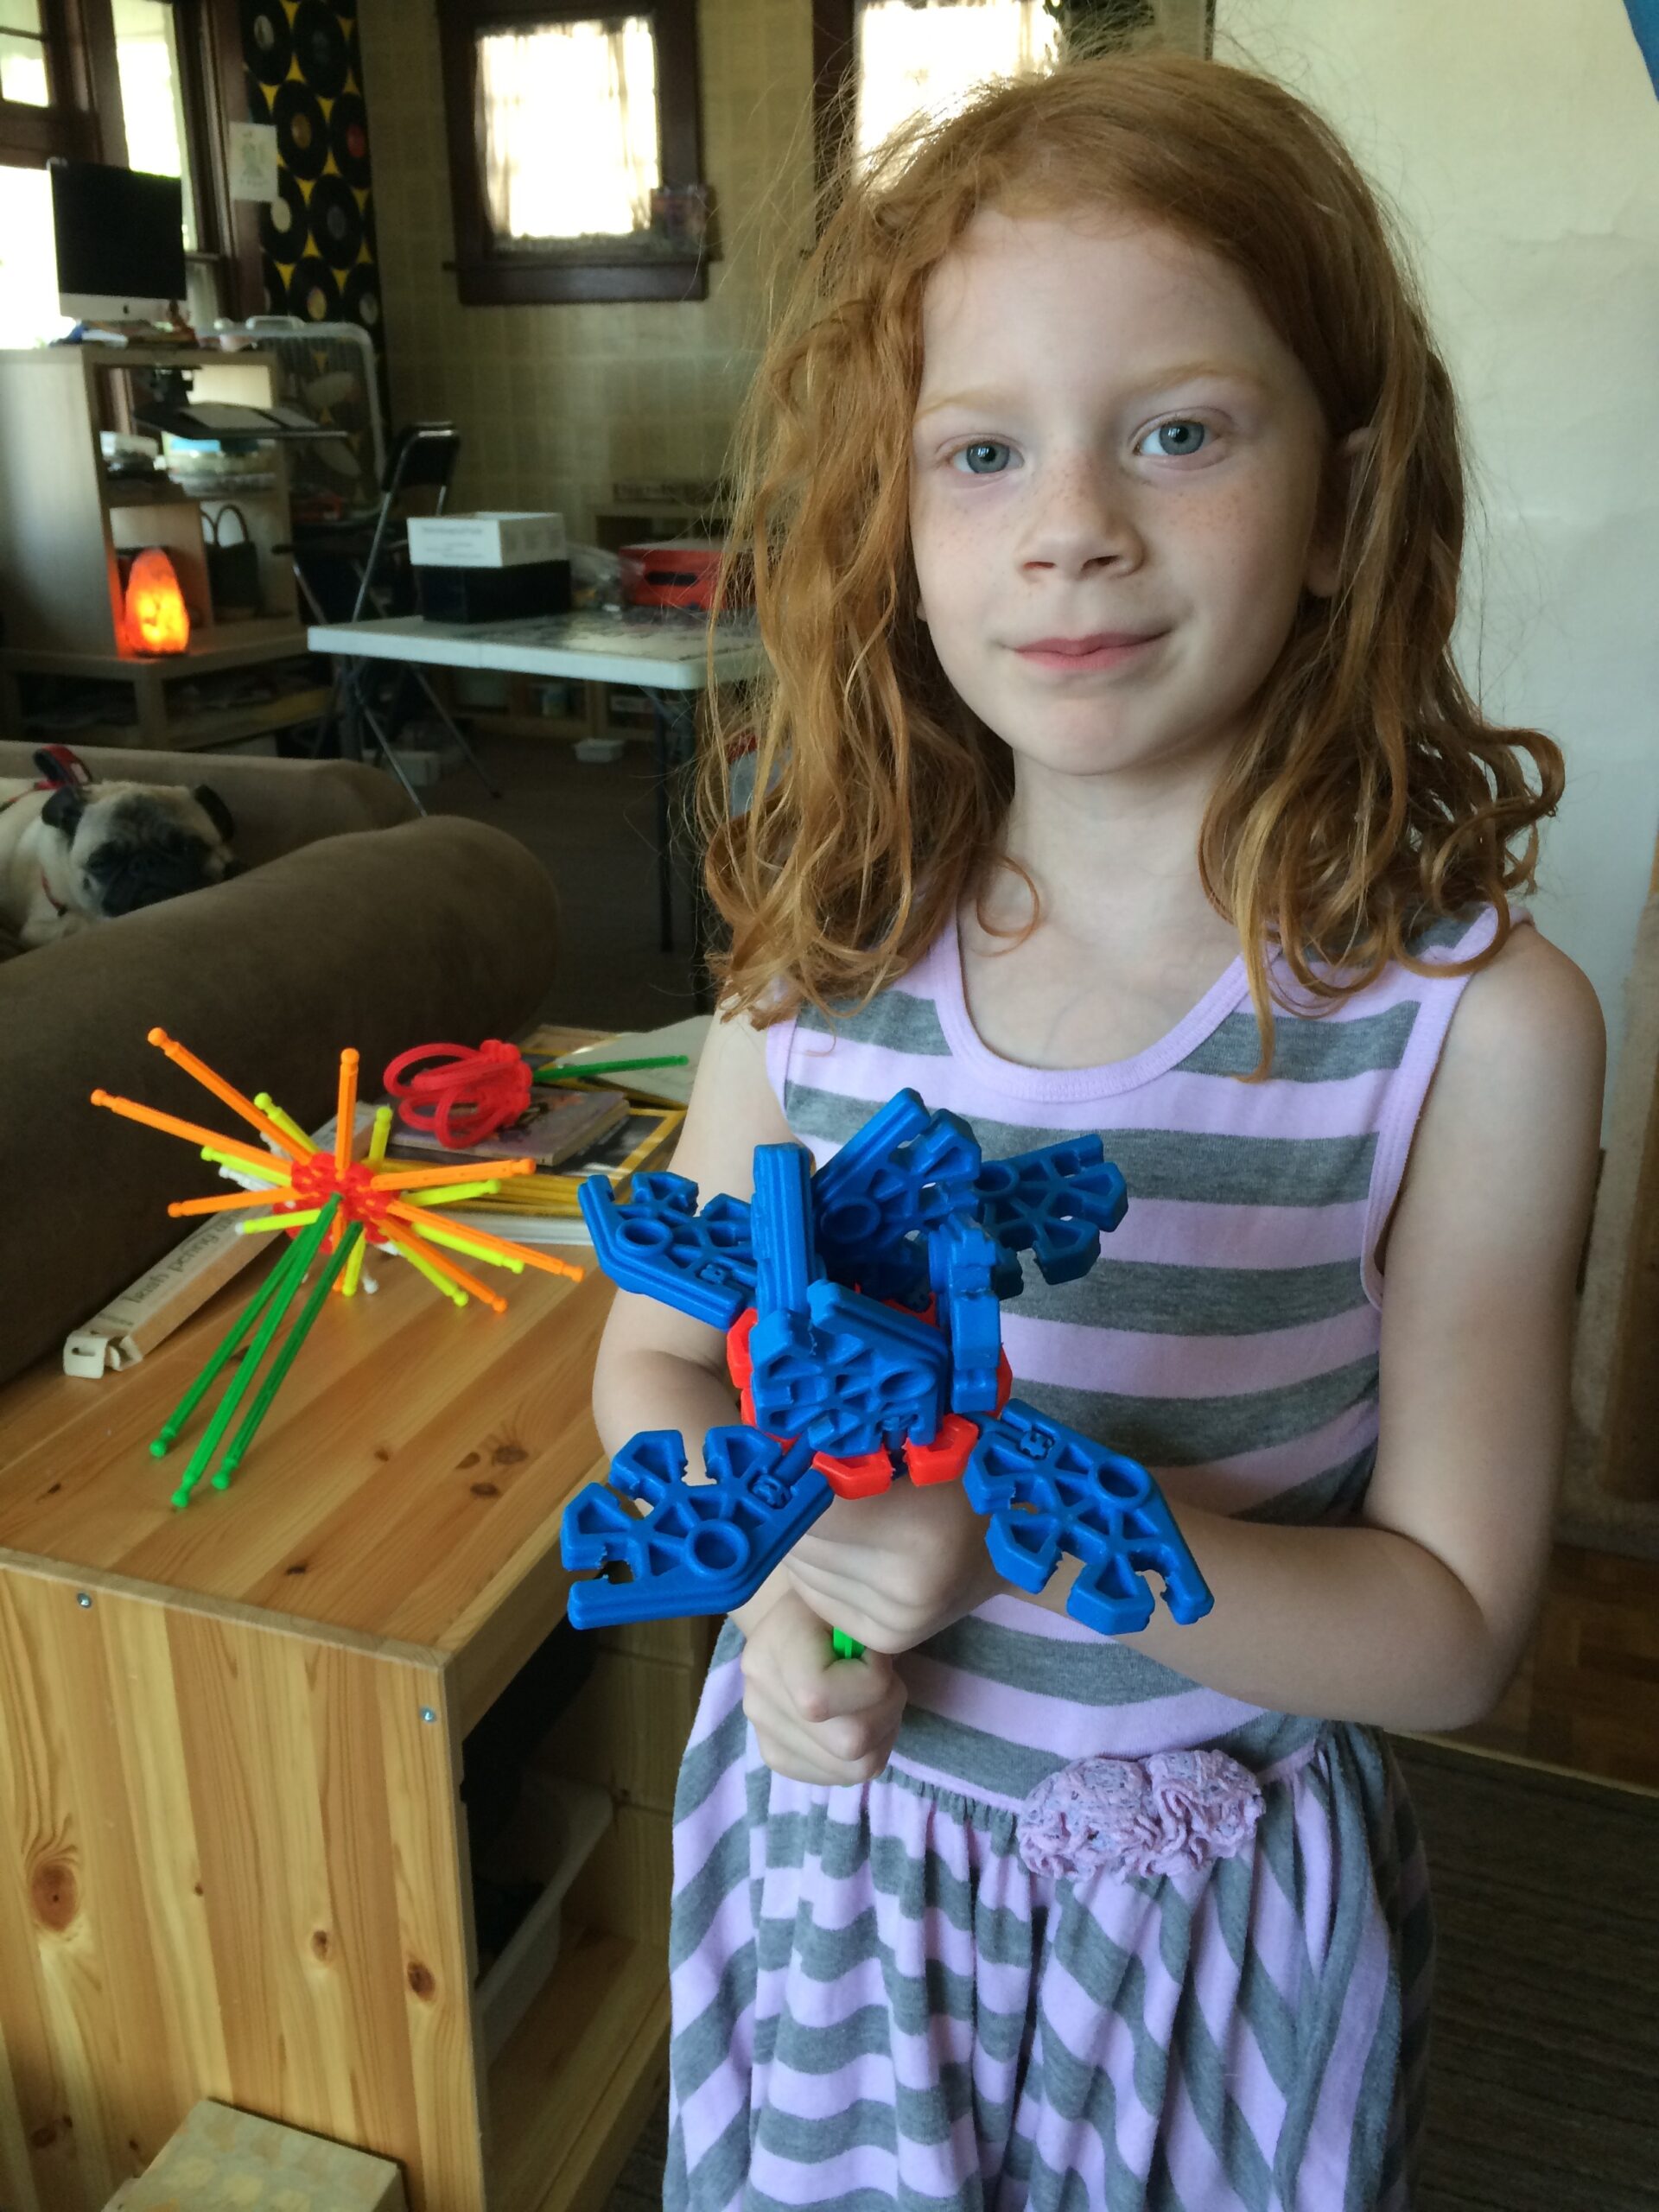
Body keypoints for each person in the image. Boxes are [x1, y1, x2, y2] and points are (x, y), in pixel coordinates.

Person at [591, 43, 1605, 2212]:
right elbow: (662, 1357)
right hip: (840, 1894)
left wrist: (1017, 1525)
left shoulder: (1473, 1036)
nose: (1072, 523)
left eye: (1178, 430)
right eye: (981, 451)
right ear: (896, 524)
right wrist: (774, 1590)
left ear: (1344, 499)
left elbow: (1448, 1627)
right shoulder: (816, 968)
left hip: (1190, 1942)